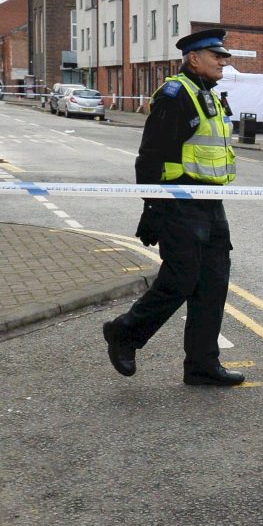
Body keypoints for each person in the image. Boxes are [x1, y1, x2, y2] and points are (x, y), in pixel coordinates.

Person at [101, 29, 245, 387]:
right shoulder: (175, 95)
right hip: (179, 202)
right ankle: (125, 333)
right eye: (217, 56)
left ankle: (201, 365)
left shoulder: (206, 94)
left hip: (210, 203)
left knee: (213, 283)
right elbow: (150, 155)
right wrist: (152, 209)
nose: (223, 62)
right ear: (194, 58)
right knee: (180, 279)